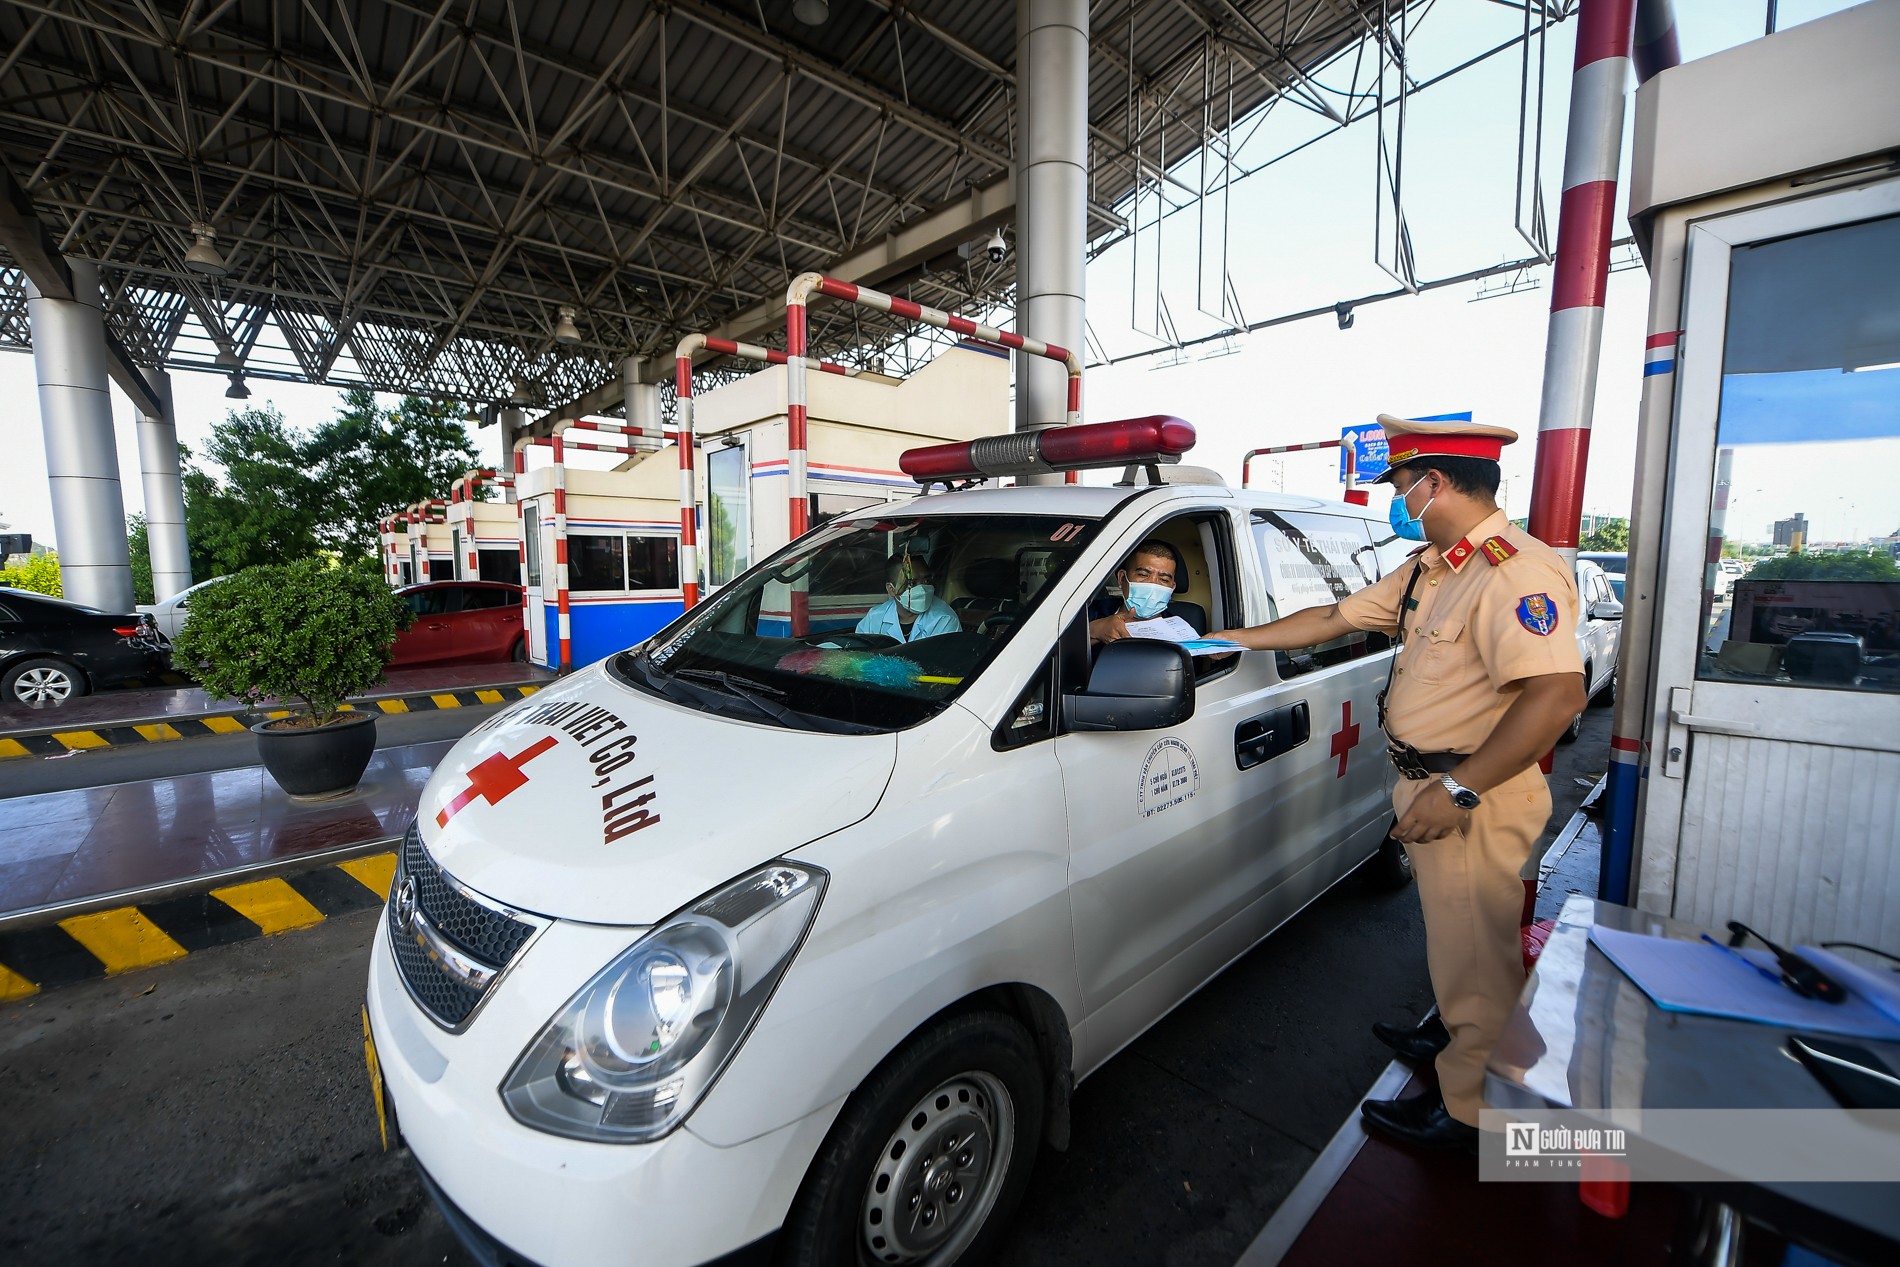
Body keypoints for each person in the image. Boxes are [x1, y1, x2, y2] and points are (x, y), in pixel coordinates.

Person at [1210, 415, 1585, 1153]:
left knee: (1474, 950)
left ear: (1434, 483)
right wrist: (1230, 640)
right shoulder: (1432, 567)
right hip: (1433, 783)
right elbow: (1335, 615)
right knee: (1463, 945)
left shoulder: (1512, 570)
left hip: (1475, 793)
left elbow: (1557, 696)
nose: (1398, 497)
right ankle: (1465, 1037)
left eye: (1402, 485)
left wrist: (1461, 790)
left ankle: (1473, 1110)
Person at [1087, 539, 1206, 645]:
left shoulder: (1183, 629)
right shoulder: (1091, 612)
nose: (1153, 584)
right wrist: (1093, 630)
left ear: (1172, 588)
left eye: (1164, 579)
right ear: (1122, 578)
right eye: (1143, 575)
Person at [856, 552, 960, 643]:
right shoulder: (874, 618)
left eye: (926, 581)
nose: (922, 589)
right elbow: (858, 655)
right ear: (891, 589)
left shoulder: (943, 619)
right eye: (912, 583)